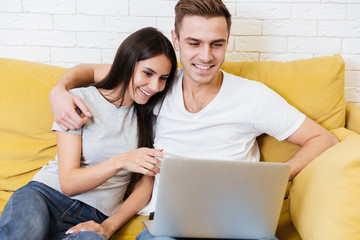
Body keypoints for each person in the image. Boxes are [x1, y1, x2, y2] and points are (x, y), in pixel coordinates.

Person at [47, 0, 339, 239]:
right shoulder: (156, 83)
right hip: (167, 224)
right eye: (194, 42)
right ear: (175, 40)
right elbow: (93, 72)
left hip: (238, 221)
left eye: (217, 44)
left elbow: (322, 138)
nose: (206, 56)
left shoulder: (254, 96)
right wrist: (59, 90)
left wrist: (274, 177)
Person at [0, 27, 177, 240]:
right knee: (22, 234)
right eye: (148, 73)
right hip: (44, 196)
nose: (155, 86)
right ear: (127, 64)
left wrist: (108, 227)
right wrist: (121, 161)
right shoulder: (78, 99)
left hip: (95, 216)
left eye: (163, 78)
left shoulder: (153, 118)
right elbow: (68, 183)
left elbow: (143, 188)